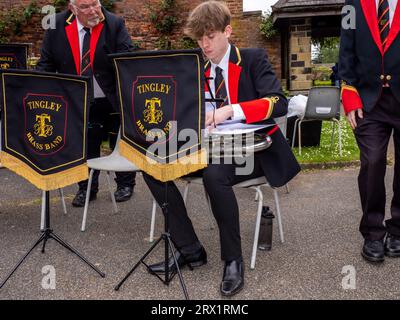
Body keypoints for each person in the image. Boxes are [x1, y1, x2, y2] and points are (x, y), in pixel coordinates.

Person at [143, 1, 300, 296]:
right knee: (152, 167)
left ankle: (233, 260)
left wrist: (231, 110)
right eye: (199, 39)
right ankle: (190, 249)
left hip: (251, 151)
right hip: (208, 147)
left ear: (227, 31)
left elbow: (279, 102)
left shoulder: (252, 59)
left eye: (210, 36)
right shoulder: (196, 66)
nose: (204, 45)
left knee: (215, 176)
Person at [37, 0, 136, 206]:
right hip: (77, 99)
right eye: (85, 7)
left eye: (95, 4)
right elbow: (45, 64)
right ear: (72, 8)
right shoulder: (56, 24)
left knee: (120, 140)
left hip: (111, 96)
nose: (92, 10)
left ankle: (126, 183)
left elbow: (128, 58)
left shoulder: (114, 23)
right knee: (85, 144)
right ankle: (87, 188)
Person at [339, 0, 400, 262]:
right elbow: (346, 53)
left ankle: (397, 229)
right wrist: (349, 94)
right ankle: (373, 233)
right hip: (367, 102)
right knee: (373, 161)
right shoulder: (351, 4)